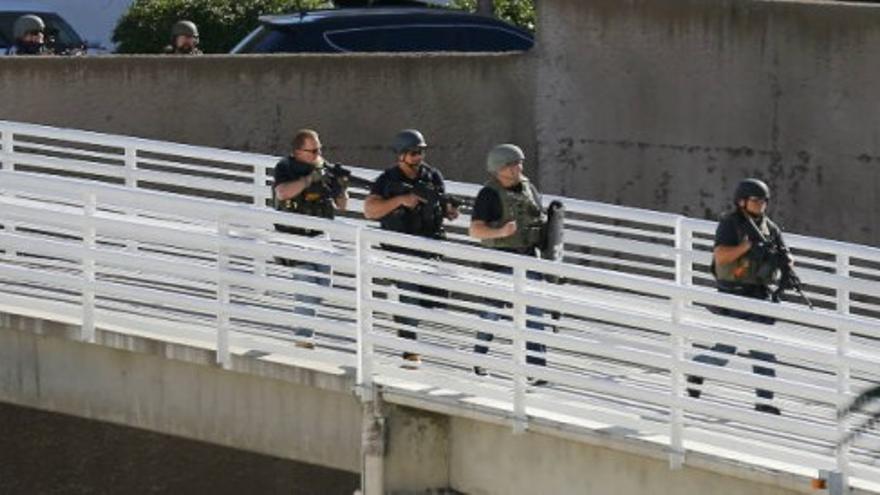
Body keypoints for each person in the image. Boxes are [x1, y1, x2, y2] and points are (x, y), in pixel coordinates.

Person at [686, 178, 789, 415]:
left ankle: (765, 401)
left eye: (764, 200)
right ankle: (696, 368)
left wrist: (785, 262)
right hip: (733, 296)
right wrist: (747, 247)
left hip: (759, 296)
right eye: (756, 200)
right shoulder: (730, 224)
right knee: (725, 351)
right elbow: (721, 257)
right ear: (742, 201)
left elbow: (785, 253)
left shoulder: (770, 228)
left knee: (763, 351)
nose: (761, 205)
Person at [363, 129, 459, 368]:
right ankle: (409, 349)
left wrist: (449, 210)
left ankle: (403, 320)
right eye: (414, 153)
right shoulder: (387, 180)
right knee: (410, 297)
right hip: (401, 249)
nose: (419, 157)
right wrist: (400, 200)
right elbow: (370, 210)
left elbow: (444, 207)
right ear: (401, 155)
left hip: (429, 248)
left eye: (422, 152)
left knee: (434, 300)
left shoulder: (432, 176)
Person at [468, 144, 549, 384]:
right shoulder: (489, 194)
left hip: (527, 256)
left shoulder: (529, 188)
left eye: (519, 163)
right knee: (492, 312)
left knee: (534, 314)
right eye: (511, 165)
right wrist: (502, 231)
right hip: (500, 261)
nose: (517, 169)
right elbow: (475, 229)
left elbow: (541, 220)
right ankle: (479, 359)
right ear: (498, 169)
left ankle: (536, 369)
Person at [273, 129, 348, 349]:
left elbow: (342, 206)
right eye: (312, 150)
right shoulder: (285, 167)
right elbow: (282, 193)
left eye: (319, 149)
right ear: (297, 151)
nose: (317, 154)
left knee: (323, 286)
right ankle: (303, 337)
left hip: (319, 236)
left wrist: (341, 187)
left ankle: (304, 329)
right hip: (293, 236)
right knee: (307, 284)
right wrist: (308, 180)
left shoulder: (324, 167)